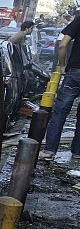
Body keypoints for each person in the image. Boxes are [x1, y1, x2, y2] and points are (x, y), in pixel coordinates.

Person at [40, 16, 80, 161]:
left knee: (60, 113)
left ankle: (49, 151)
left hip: (75, 72)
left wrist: (62, 64)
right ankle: (77, 152)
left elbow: (63, 45)